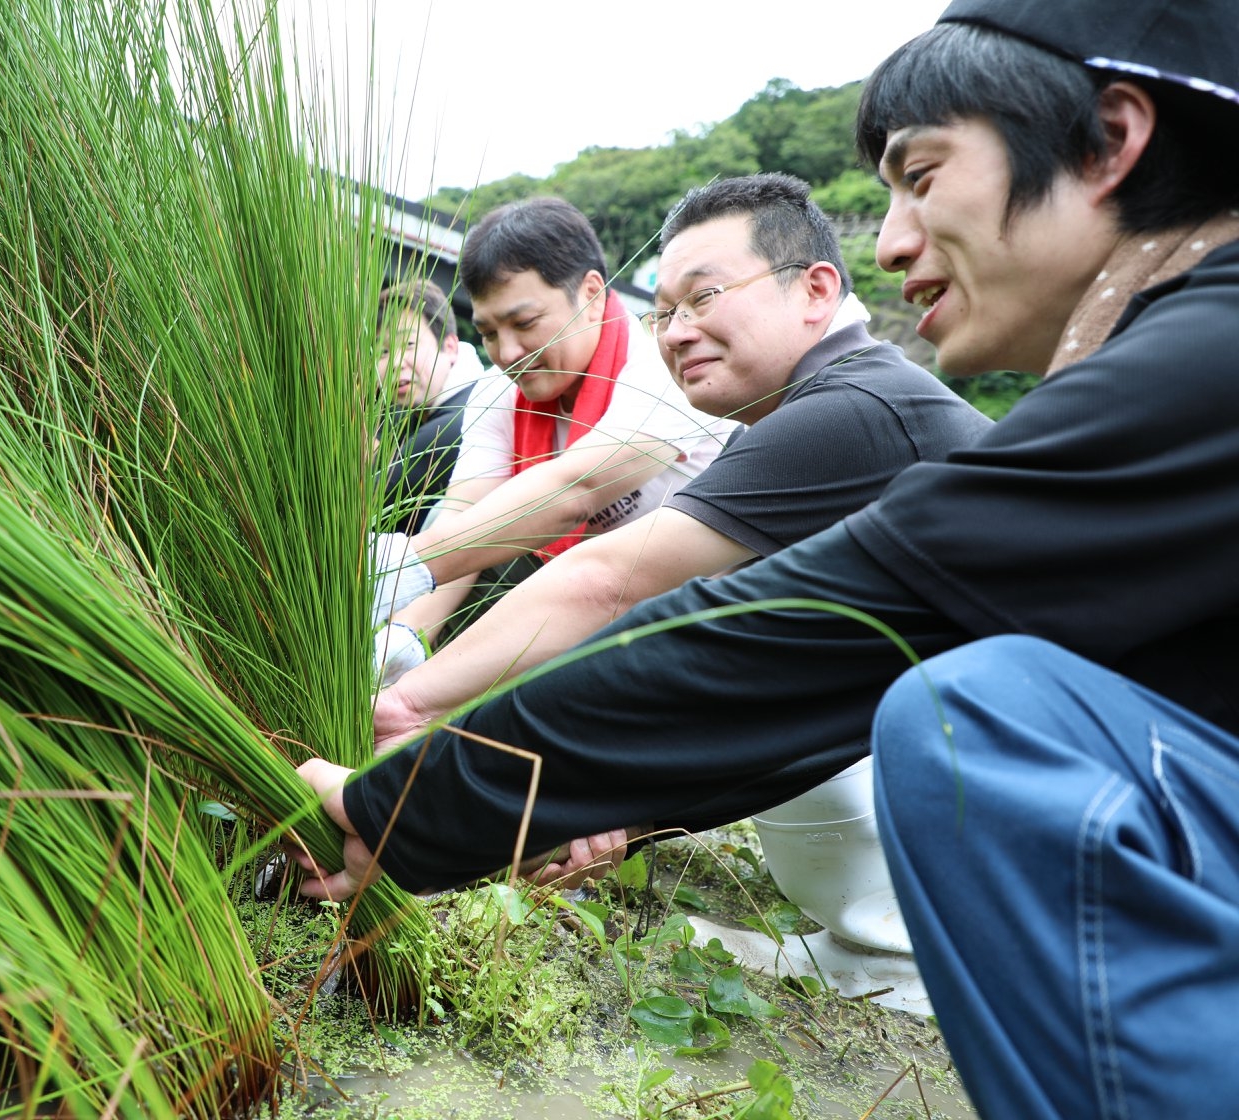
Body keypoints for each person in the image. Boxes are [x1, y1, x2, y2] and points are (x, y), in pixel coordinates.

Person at [299, 0, 1239, 1113]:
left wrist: (414, 795)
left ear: (1111, 141)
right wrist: (585, 804)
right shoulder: (1173, 352)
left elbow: (754, 624)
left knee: (980, 709)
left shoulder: (1162, 365)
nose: (891, 239)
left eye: (923, 175)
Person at [374, 174, 990, 746]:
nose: (675, 331)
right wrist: (404, 635)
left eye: (705, 297)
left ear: (816, 289)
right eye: (667, 311)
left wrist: (410, 698)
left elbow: (597, 544)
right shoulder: (791, 407)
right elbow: (462, 516)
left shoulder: (838, 409)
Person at [370, 197, 737, 676]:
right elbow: (467, 513)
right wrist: (405, 636)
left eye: (524, 324)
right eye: (488, 333)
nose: (509, 352)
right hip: (570, 602)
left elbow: (576, 489)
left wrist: (405, 565)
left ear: (589, 294)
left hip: (686, 615)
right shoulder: (496, 392)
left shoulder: (662, 370)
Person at [375, 277, 491, 536]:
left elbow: (362, 504)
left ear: (450, 346)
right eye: (383, 351)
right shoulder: (414, 413)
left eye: (409, 345)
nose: (395, 362)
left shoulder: (458, 422)